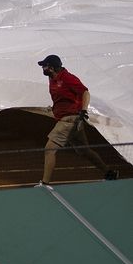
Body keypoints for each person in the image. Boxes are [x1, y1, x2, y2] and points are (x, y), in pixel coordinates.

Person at [38, 54, 118, 184]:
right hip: (70, 120)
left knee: (49, 149)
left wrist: (84, 110)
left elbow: (85, 92)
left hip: (69, 121)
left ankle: (45, 183)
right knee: (84, 151)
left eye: (44, 66)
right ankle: (109, 173)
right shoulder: (53, 79)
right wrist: (54, 108)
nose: (43, 68)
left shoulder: (68, 78)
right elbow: (62, 98)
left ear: (51, 68)